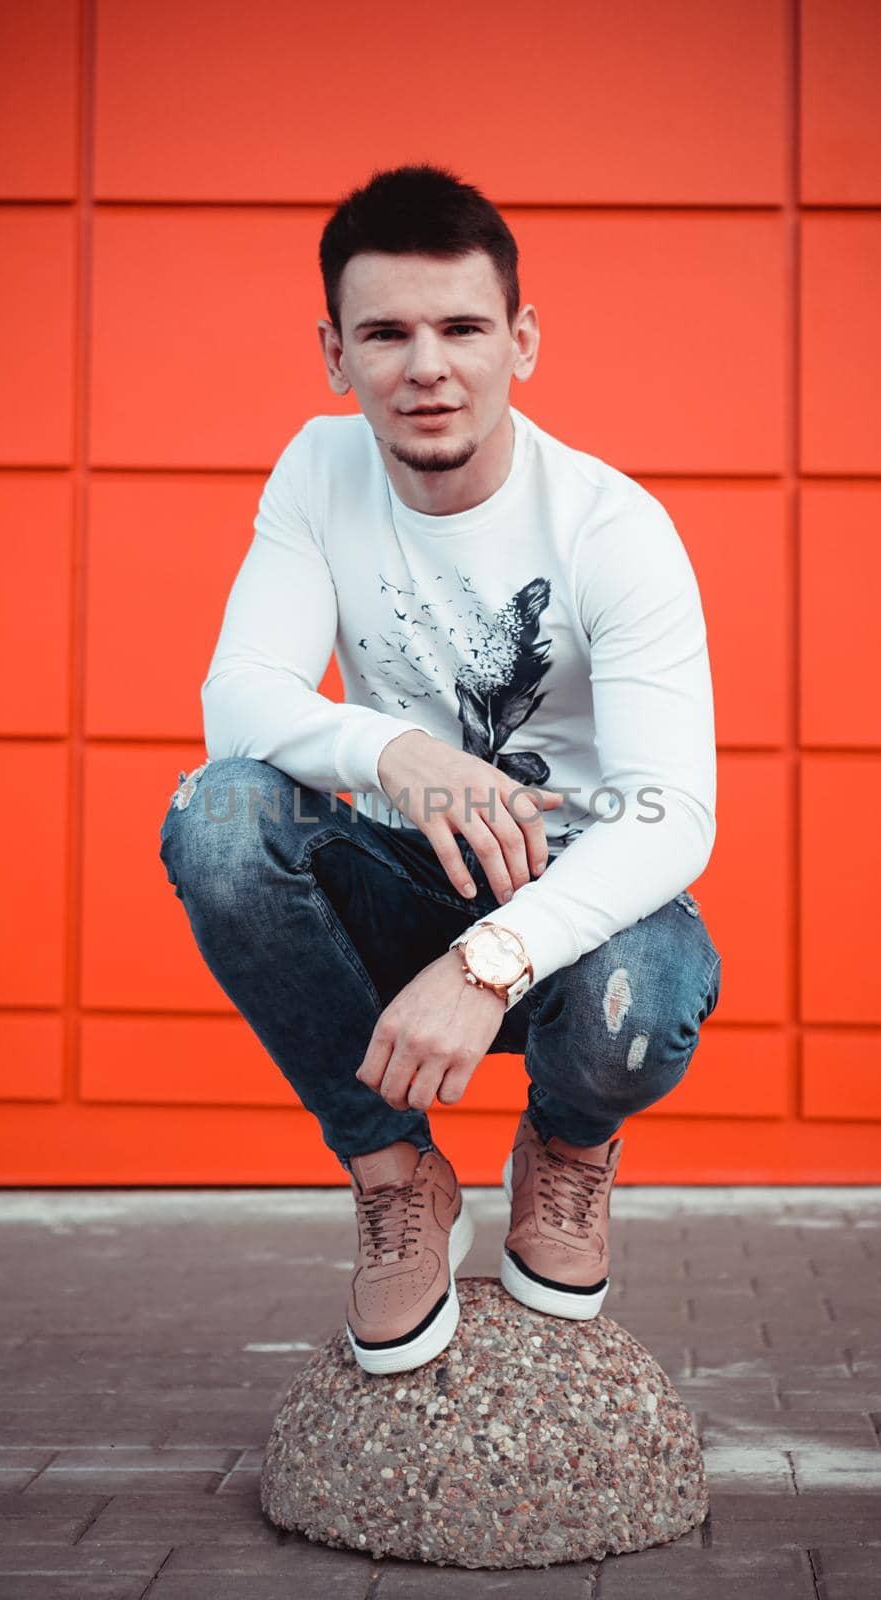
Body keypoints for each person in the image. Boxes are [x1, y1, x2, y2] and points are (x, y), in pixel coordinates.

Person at [158, 162, 722, 1378]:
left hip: (570, 928)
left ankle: (567, 1152)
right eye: (387, 332)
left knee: (661, 964)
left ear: (521, 340)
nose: (427, 366)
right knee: (218, 815)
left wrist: (490, 957)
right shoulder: (320, 471)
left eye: (463, 326)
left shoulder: (610, 527)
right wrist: (397, 752)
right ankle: (392, 1170)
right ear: (333, 350)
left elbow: (673, 814)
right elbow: (236, 699)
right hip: (400, 887)